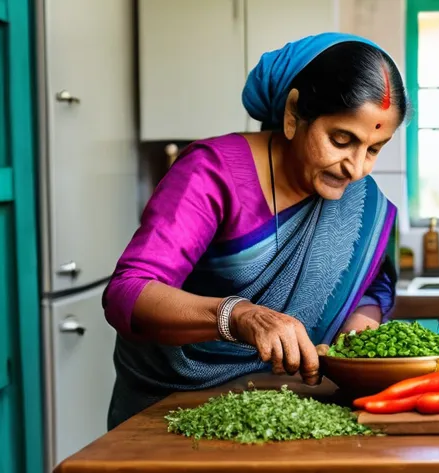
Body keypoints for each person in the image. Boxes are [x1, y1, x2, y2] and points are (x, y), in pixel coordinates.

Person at [101, 32, 409, 430]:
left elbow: (370, 288)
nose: (356, 168)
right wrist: (238, 315)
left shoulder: (363, 203)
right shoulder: (214, 173)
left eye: (374, 149)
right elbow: (129, 292)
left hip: (291, 410)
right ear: (294, 112)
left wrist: (354, 339)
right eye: (341, 140)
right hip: (168, 408)